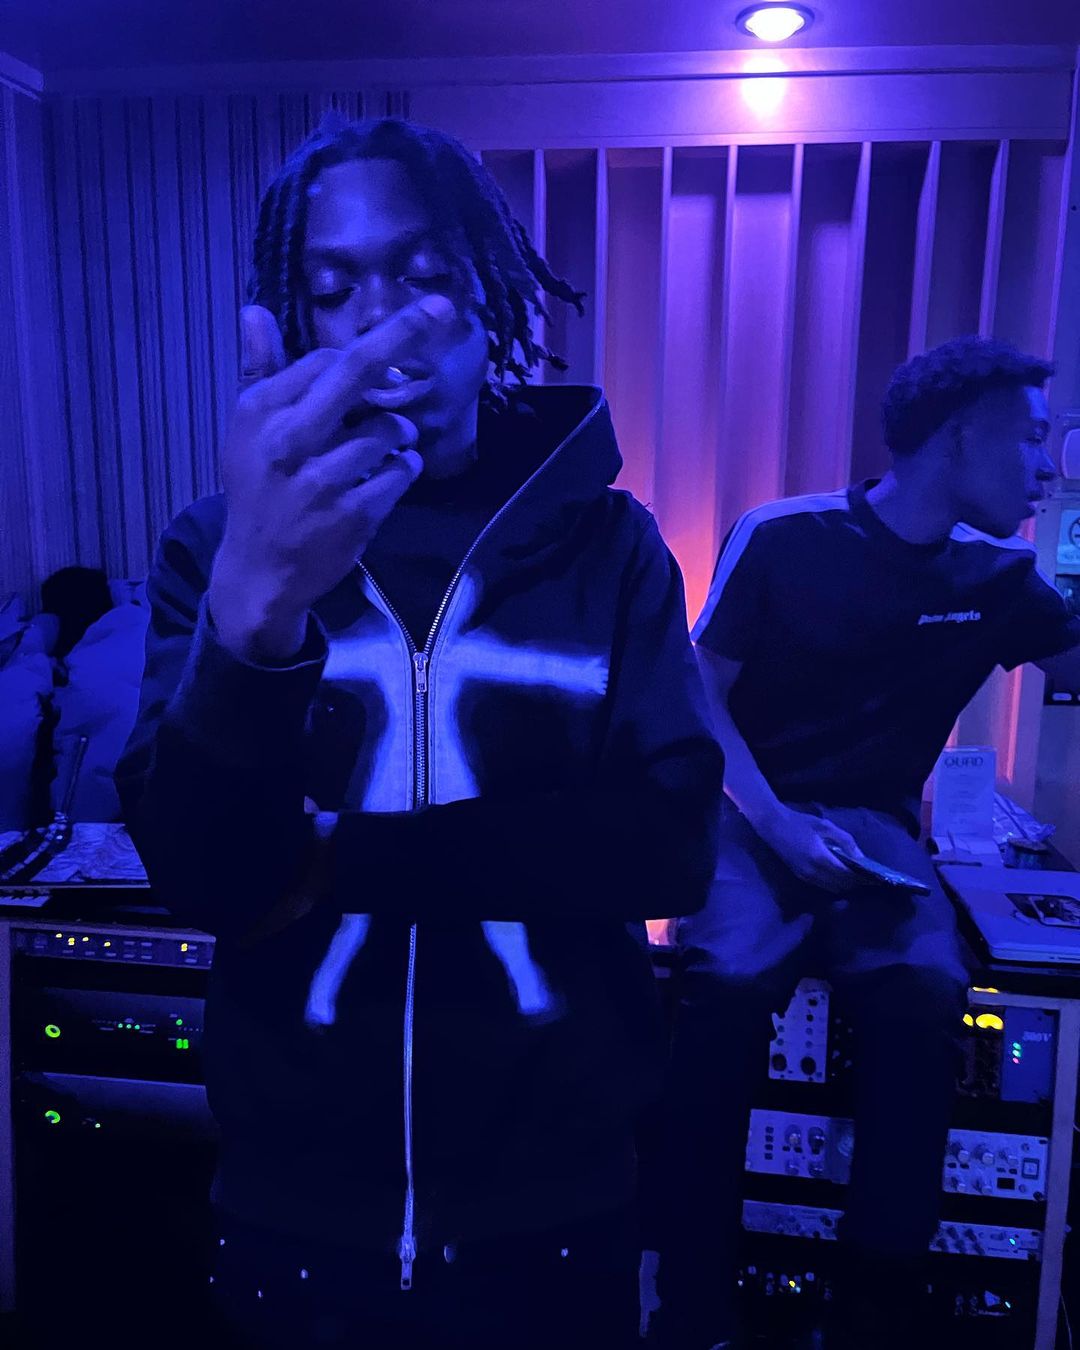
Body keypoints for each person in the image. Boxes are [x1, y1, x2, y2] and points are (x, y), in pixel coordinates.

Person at [116, 116, 724, 1350]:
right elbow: (208, 879)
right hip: (293, 1215)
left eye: (425, 273)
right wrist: (255, 612)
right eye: (334, 286)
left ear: (489, 296)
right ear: (297, 319)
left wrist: (337, 861)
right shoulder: (215, 548)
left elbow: (665, 849)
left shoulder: (612, 547)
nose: (381, 321)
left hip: (558, 1210)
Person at [654, 336, 1080, 1350]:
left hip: (878, 829)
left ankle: (875, 1306)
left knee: (926, 999)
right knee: (720, 996)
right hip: (751, 809)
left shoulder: (1001, 576)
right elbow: (699, 696)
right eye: (1030, 440)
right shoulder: (783, 536)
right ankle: (693, 1307)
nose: (1047, 469)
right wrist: (778, 825)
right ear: (960, 436)